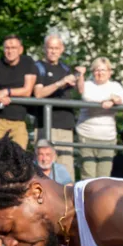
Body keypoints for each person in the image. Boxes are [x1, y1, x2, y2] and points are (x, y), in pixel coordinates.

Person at [0, 35, 38, 150]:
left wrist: (6, 91)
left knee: (19, 159)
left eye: (13, 48)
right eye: (7, 48)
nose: (10, 51)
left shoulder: (28, 63)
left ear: (21, 49)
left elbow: (27, 90)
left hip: (18, 121)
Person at [34, 35, 77, 179]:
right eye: (50, 48)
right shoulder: (38, 67)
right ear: (45, 49)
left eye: (56, 48)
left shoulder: (66, 67)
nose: (53, 51)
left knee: (65, 169)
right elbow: (38, 94)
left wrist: (80, 76)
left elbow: (81, 91)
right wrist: (60, 83)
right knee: (43, 167)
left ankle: (67, 200)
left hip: (65, 124)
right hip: (45, 124)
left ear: (62, 49)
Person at [74, 58, 123, 180]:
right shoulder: (88, 85)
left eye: (103, 70)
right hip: (87, 136)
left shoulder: (115, 86)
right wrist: (110, 99)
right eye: (97, 70)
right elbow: (86, 96)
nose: (100, 73)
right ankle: (86, 199)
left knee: (104, 178)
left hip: (108, 138)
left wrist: (114, 101)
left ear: (109, 72)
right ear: (92, 72)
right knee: (88, 176)